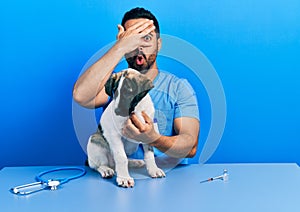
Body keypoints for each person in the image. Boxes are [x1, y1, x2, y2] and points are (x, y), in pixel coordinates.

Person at [73, 7, 200, 163]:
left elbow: (190, 146)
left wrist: (154, 138)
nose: (139, 46)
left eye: (146, 38)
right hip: (118, 175)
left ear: (158, 44)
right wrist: (120, 47)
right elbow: (81, 96)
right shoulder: (115, 83)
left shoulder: (178, 88)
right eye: (133, 39)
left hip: (165, 178)